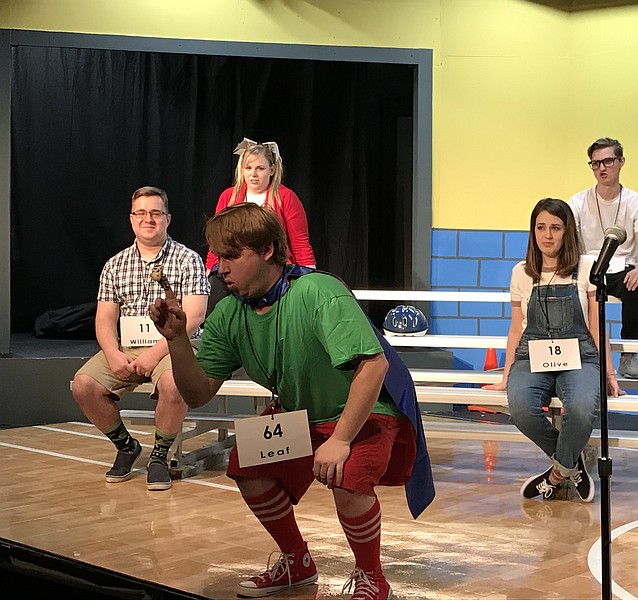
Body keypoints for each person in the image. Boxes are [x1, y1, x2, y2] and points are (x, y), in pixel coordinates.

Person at [149, 203, 433, 599]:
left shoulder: (318, 291)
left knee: (346, 475)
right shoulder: (230, 312)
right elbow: (197, 394)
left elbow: (373, 366)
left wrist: (340, 440)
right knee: (246, 466)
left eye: (232, 256)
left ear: (267, 250)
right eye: (218, 257)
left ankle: (372, 577)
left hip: (364, 409)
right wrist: (176, 339)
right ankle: (296, 563)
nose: (220, 268)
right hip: (302, 413)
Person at [71, 186, 209, 491]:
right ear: (132, 219)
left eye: (156, 213)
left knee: (175, 383)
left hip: (176, 346)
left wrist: (155, 353)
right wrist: (112, 353)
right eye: (141, 213)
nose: (149, 219)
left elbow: (195, 316)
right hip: (129, 347)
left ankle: (159, 457)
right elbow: (105, 319)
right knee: (83, 384)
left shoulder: (188, 260)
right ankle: (126, 447)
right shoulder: (115, 264)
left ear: (168, 219)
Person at [486, 198, 622, 503]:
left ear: (567, 231)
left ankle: (556, 474)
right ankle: (571, 463)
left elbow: (598, 325)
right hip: (531, 355)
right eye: (541, 227)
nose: (547, 235)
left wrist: (609, 373)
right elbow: (515, 326)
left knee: (582, 408)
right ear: (533, 231)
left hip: (580, 356)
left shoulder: (586, 268)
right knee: (520, 409)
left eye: (556, 228)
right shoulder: (521, 272)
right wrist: (506, 375)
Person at [567, 137, 638, 379]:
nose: (601, 168)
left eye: (607, 161)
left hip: (620, 268)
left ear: (621, 162)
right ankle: (579, 355)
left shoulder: (636, 202)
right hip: (586, 268)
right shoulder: (577, 201)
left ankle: (628, 356)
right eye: (595, 163)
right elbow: (569, 242)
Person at [205, 138, 316, 315]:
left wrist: (311, 278)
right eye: (248, 168)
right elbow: (217, 242)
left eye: (260, 168)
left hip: (274, 270)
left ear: (272, 170)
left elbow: (300, 242)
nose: (253, 174)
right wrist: (209, 271)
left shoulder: (285, 197)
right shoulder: (229, 197)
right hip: (236, 268)